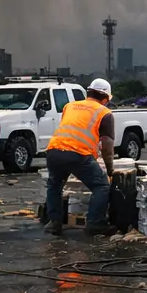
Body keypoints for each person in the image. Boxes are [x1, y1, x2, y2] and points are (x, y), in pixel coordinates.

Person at [43, 78, 117, 238]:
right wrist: (110, 169)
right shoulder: (105, 113)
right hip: (78, 153)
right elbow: (107, 147)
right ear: (105, 98)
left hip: (54, 150)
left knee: (55, 185)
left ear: (88, 93)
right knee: (102, 186)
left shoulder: (69, 106)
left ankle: (54, 223)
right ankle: (95, 224)